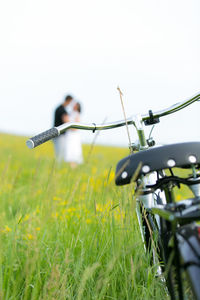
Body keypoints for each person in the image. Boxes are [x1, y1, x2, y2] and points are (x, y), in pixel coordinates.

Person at [53, 95, 73, 161]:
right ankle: (56, 168)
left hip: (55, 134)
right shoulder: (62, 110)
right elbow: (67, 122)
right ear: (68, 101)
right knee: (60, 154)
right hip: (61, 135)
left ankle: (56, 167)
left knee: (58, 153)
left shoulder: (58, 108)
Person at [64, 101, 83, 168]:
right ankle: (71, 166)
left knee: (73, 150)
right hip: (69, 134)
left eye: (75, 105)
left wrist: (68, 123)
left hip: (74, 135)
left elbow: (76, 128)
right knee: (69, 150)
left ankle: (73, 167)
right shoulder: (71, 113)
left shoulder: (77, 114)